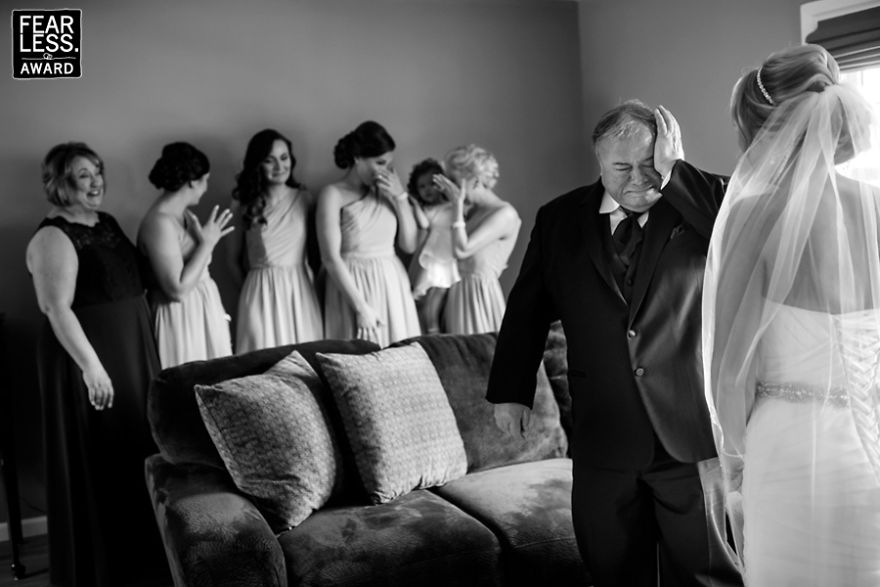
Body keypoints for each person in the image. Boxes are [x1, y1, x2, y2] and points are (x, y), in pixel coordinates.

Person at [487, 102, 742, 587]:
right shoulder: (559, 218)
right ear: (599, 162)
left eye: (651, 164)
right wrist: (510, 391)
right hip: (603, 434)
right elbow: (527, 309)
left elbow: (737, 230)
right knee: (613, 570)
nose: (639, 180)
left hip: (687, 430)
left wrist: (676, 169)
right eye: (622, 167)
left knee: (706, 574)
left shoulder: (706, 204)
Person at [703, 44, 880, 585]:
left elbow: (730, 373)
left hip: (785, 448)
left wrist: (735, 461)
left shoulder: (752, 216)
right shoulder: (876, 206)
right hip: (867, 447)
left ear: (763, 130)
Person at [26, 142, 168, 586]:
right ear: (59, 183)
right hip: (89, 359)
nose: (95, 182)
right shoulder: (52, 236)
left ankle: (142, 562)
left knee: (134, 447)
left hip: (130, 351)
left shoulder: (105, 222)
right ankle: (105, 570)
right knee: (100, 458)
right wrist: (93, 368)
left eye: (97, 172)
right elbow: (55, 308)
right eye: (82, 175)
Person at [317, 120, 421, 346]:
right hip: (353, 285)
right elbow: (330, 257)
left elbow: (409, 245)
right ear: (357, 158)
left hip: (391, 282)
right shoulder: (332, 194)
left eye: (389, 164)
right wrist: (361, 307)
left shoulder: (386, 192)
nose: (385, 170)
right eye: (380, 162)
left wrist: (400, 198)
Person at [138, 142, 234, 368]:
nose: (206, 188)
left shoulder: (187, 217)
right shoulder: (159, 223)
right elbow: (177, 290)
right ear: (192, 181)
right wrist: (207, 244)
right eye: (205, 180)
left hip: (203, 310)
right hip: (180, 318)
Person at [230, 129, 323, 353]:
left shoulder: (305, 199)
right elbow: (231, 260)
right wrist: (252, 292)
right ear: (257, 164)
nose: (279, 166)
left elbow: (317, 255)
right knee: (260, 359)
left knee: (304, 359)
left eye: (284, 158)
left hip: (299, 291)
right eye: (269, 160)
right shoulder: (242, 203)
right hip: (259, 291)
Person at [434, 144, 520, 334]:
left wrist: (457, 205)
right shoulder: (472, 212)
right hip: (457, 296)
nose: (451, 189)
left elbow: (462, 250)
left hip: (479, 299)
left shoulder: (505, 214)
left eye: (454, 181)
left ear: (475, 180)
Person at [407, 157, 459, 333]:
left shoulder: (453, 206)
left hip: (446, 257)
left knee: (438, 303)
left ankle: (434, 333)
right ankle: (431, 334)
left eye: (431, 184)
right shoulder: (425, 210)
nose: (427, 190)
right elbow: (423, 224)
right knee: (425, 304)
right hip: (431, 258)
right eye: (422, 187)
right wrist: (415, 205)